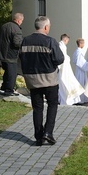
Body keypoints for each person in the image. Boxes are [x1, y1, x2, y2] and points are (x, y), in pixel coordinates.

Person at [20, 16, 64, 146]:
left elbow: (21, 58)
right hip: (49, 79)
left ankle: (39, 135)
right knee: (52, 105)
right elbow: (59, 59)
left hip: (32, 80)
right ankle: (48, 133)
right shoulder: (50, 41)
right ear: (45, 27)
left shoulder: (25, 41)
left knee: (37, 108)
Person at [0, 12, 24, 96]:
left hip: (2, 54)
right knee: (12, 73)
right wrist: (23, 42)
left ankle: (4, 87)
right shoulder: (16, 29)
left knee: (7, 72)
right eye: (22, 21)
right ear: (19, 20)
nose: (21, 22)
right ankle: (9, 90)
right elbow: (16, 43)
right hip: (11, 55)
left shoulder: (4, 26)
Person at [58, 34, 84, 105]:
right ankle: (66, 100)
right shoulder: (61, 46)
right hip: (64, 69)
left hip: (65, 68)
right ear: (65, 40)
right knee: (65, 84)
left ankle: (66, 99)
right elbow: (63, 58)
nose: (67, 42)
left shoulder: (61, 46)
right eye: (67, 41)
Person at [72, 38, 88, 103]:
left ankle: (83, 98)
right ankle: (80, 99)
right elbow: (80, 62)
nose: (84, 45)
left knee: (82, 83)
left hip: (78, 70)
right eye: (83, 43)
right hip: (80, 70)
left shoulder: (76, 51)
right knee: (81, 84)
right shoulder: (79, 52)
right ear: (80, 44)